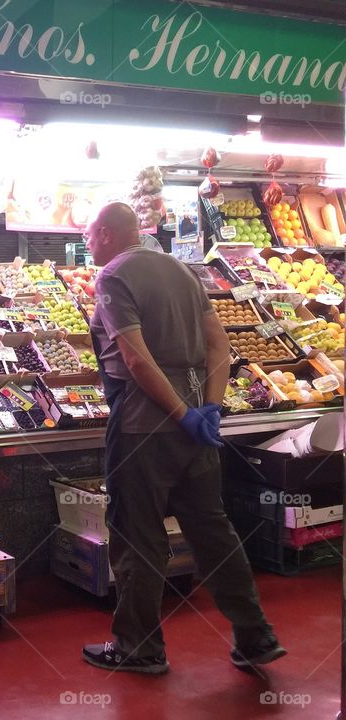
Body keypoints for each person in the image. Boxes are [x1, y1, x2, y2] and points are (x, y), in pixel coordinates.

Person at [81, 202, 284, 675]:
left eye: (90, 235)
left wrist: (178, 414)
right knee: (213, 529)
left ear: (109, 234)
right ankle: (256, 636)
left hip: (141, 427)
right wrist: (207, 410)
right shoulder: (182, 270)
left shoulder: (113, 277)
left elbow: (135, 361)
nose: (88, 243)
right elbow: (220, 344)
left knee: (139, 535)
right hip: (196, 426)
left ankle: (139, 648)